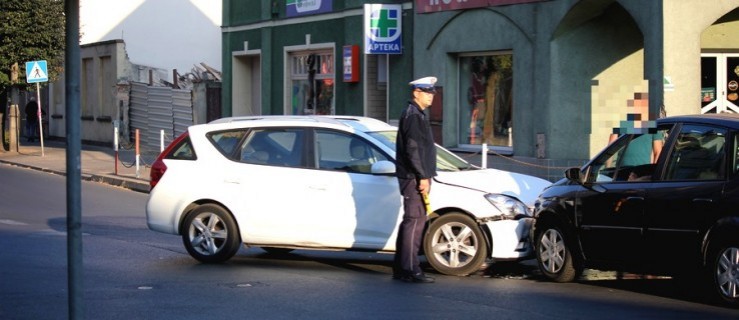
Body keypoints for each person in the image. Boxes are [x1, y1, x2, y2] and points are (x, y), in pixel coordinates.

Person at [393, 76, 438, 283]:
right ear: (416, 93)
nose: (431, 97)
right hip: (413, 176)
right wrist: (422, 176)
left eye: (432, 93)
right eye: (427, 93)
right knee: (415, 221)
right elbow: (413, 149)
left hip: (414, 175)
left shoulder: (417, 114)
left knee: (413, 221)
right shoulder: (413, 116)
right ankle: (410, 269)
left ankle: (403, 267)